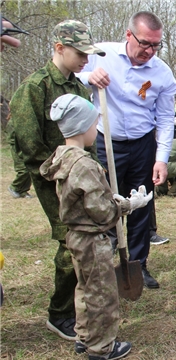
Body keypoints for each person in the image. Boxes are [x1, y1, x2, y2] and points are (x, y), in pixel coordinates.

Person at [10, 20, 105, 341]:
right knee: (71, 240)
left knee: (86, 238)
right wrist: (59, 171)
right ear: (59, 48)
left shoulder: (79, 88)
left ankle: (82, 303)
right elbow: (27, 142)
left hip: (79, 175)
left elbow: (86, 136)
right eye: (80, 53)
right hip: (52, 178)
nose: (85, 60)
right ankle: (60, 313)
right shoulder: (35, 88)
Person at [40, 94, 152, 360]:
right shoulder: (86, 165)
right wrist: (128, 205)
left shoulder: (62, 157)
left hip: (75, 237)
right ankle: (102, 347)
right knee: (103, 293)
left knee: (85, 288)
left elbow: (86, 199)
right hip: (92, 238)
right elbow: (101, 212)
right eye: (94, 124)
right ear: (82, 127)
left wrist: (112, 199)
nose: (96, 129)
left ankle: (84, 336)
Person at [77, 11, 176, 289]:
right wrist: (89, 77)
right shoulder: (101, 54)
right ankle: (101, 265)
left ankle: (138, 266)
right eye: (145, 43)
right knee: (102, 204)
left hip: (142, 145)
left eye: (156, 45)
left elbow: (166, 119)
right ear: (128, 35)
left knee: (140, 205)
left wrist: (161, 158)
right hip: (104, 140)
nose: (150, 51)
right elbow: (71, 73)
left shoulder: (162, 73)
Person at [6, 117, 33, 198]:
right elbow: (12, 138)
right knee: (23, 170)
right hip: (16, 147)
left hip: (25, 146)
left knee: (30, 168)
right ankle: (14, 187)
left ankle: (23, 191)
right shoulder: (13, 121)